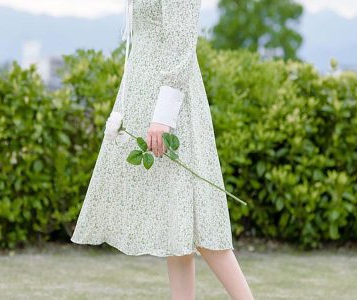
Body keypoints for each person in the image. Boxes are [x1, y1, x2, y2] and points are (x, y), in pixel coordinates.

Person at [71, 0, 254, 298]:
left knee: (201, 218)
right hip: (146, 101)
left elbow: (181, 45)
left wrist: (163, 116)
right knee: (176, 224)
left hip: (171, 110)